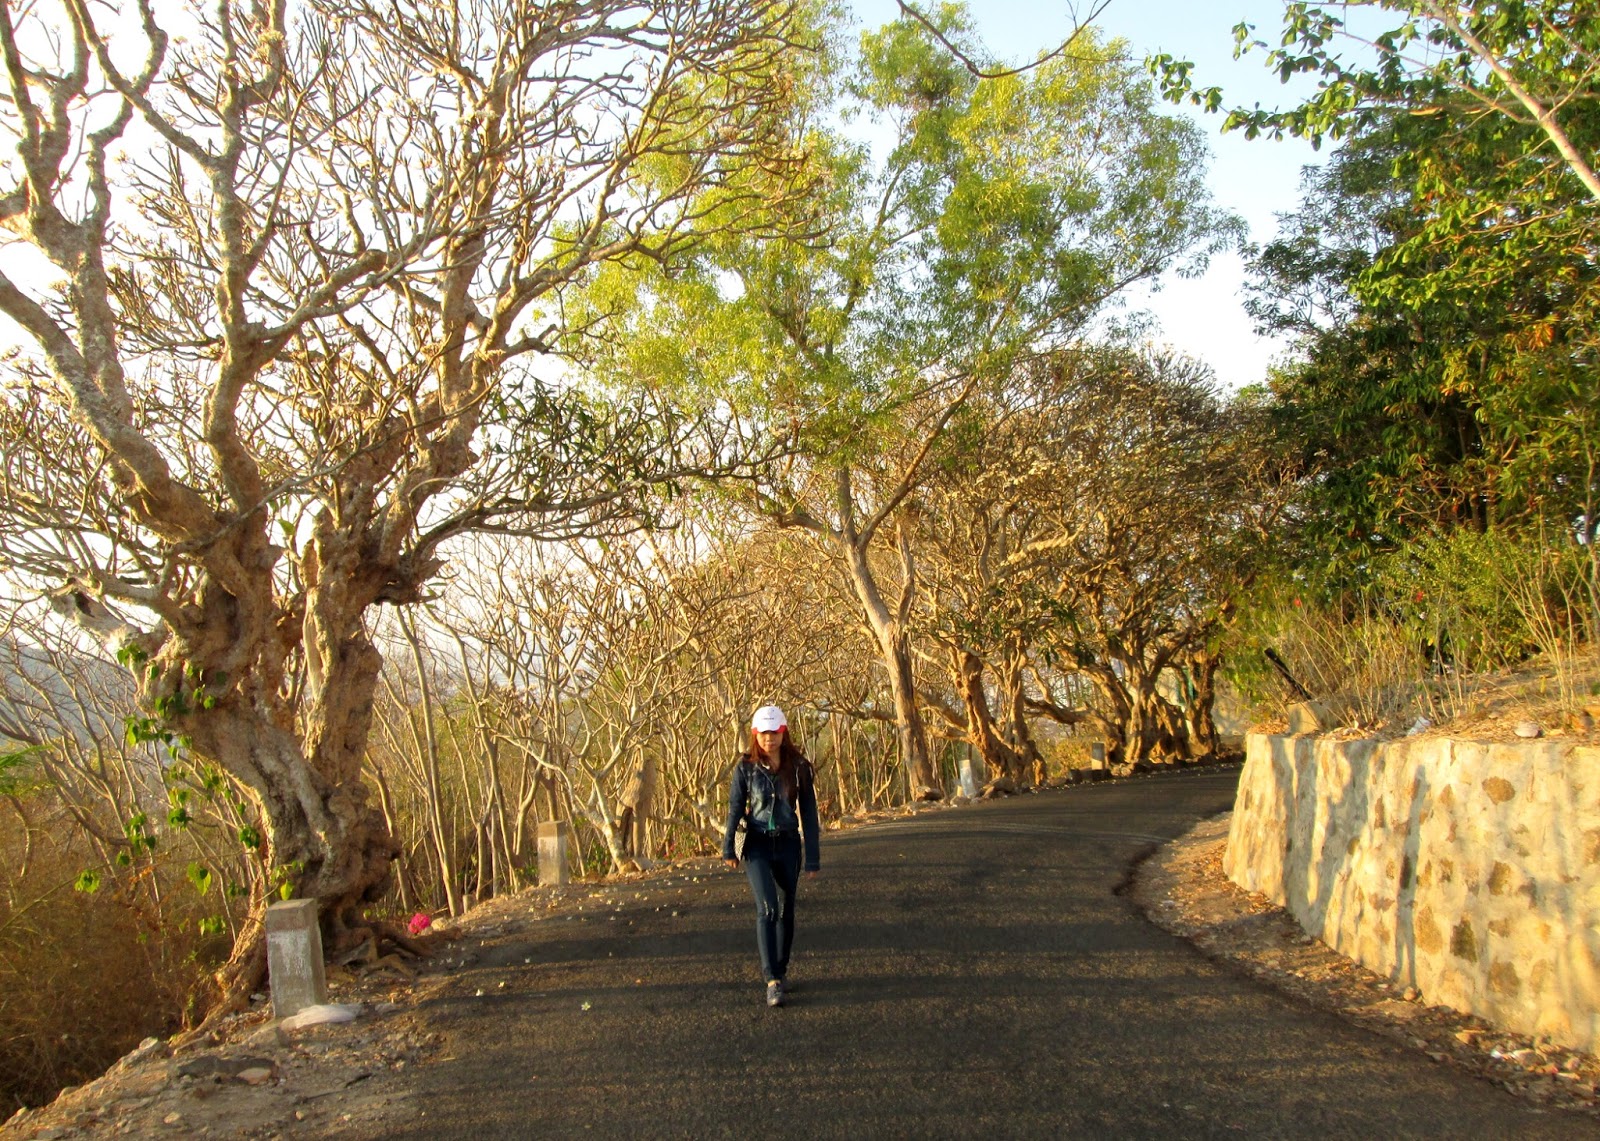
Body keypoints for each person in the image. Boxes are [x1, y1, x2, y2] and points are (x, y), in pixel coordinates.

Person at [723, 704, 821, 1007]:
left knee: (786, 909)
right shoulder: (745, 768)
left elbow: (808, 812)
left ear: (783, 732)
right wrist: (728, 847)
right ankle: (772, 979)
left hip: (789, 843)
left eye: (775, 732)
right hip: (757, 844)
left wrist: (813, 857)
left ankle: (781, 968)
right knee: (767, 907)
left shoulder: (799, 766)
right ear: (756, 734)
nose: (769, 739)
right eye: (764, 733)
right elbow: (736, 808)